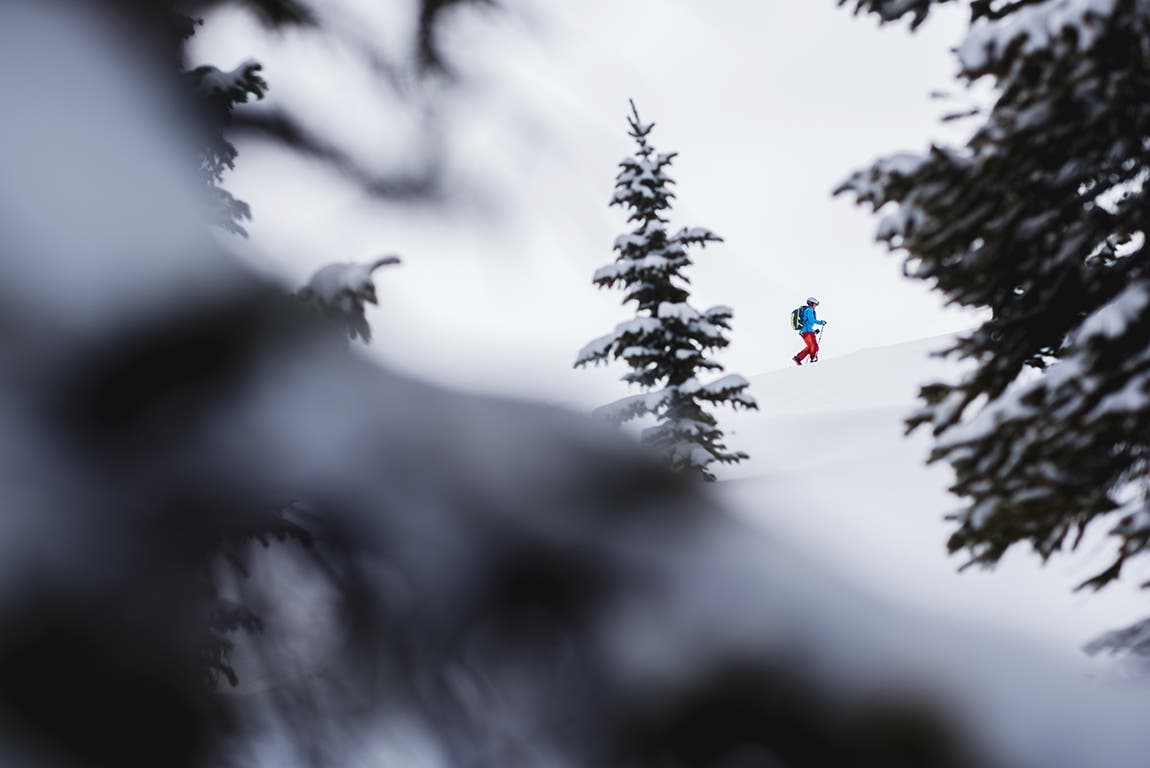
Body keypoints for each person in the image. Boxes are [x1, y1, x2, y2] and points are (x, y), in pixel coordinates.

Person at [792, 297, 827, 366]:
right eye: (815, 304)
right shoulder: (810, 310)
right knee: (815, 346)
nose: (815, 306)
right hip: (807, 331)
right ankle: (813, 359)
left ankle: (798, 358)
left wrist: (814, 332)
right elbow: (811, 320)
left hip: (804, 332)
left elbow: (807, 323)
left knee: (810, 346)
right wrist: (821, 322)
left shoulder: (807, 310)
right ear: (811, 303)